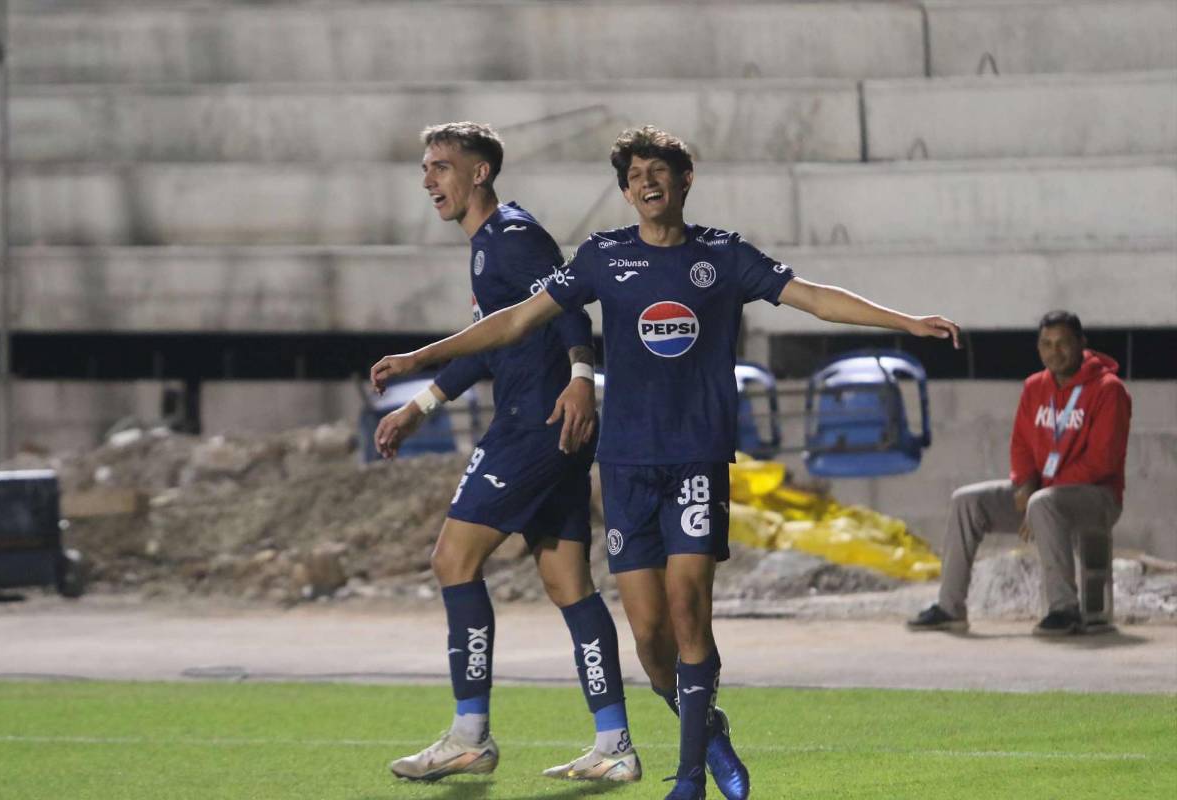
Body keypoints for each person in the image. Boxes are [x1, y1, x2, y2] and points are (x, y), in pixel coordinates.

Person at [372, 125, 960, 800]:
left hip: (694, 458)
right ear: (625, 191)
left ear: (686, 180)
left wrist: (907, 321)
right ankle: (705, 733)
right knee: (649, 637)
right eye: (634, 175)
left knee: (686, 611)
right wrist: (420, 363)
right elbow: (514, 323)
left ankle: (687, 779)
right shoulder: (603, 257)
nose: (646, 182)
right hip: (625, 466)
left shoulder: (723, 255)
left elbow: (814, 297)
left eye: (659, 171)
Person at [379, 122, 640, 783]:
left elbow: (573, 304)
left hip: (533, 427)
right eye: (425, 167)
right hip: (548, 429)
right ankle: (614, 745)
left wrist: (582, 377)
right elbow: (494, 342)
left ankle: (470, 734)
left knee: (453, 558)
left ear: (479, 174)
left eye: (441, 166)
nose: (428, 179)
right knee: (566, 583)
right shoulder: (488, 248)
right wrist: (420, 406)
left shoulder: (512, 236)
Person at [908, 310, 1131, 636]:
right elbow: (1022, 447)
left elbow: (1102, 462)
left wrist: (1040, 495)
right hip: (1042, 498)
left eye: (1063, 343)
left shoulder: (1109, 390)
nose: (1055, 352)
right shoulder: (1034, 387)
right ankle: (949, 608)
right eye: (1046, 344)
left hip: (1096, 499)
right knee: (966, 501)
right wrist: (1024, 487)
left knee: (1044, 503)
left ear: (1081, 344)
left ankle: (1064, 610)